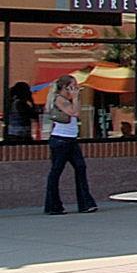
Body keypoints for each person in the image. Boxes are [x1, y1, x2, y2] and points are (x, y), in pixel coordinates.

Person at [42, 75, 97, 215]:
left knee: (80, 167)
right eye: (73, 86)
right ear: (65, 87)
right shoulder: (59, 99)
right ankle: (53, 206)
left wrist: (75, 98)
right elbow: (75, 112)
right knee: (56, 171)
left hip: (71, 139)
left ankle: (85, 203)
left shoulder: (68, 100)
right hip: (60, 140)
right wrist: (75, 97)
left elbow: (77, 113)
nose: (76, 88)